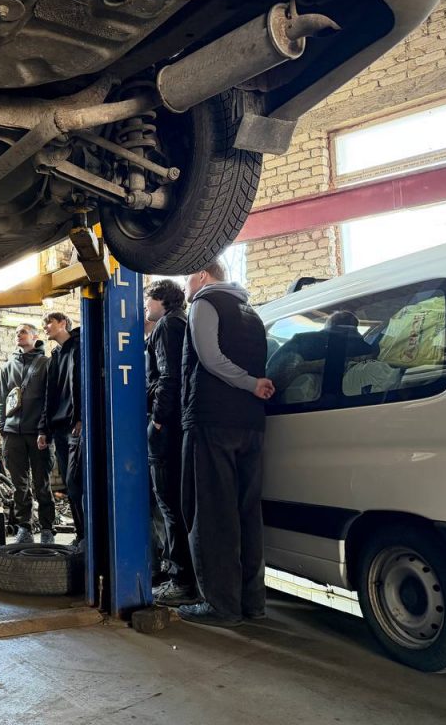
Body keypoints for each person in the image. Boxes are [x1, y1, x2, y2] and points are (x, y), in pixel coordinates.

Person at [179, 260, 275, 626]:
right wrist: (253, 387)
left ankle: (221, 605)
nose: (186, 287)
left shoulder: (206, 303)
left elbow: (210, 358)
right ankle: (252, 602)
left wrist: (249, 383)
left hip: (214, 421)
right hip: (251, 423)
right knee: (247, 513)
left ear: (202, 275)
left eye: (187, 277)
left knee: (213, 513)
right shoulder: (251, 312)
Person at [143, 279, 196, 606]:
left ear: (162, 300)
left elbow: (168, 376)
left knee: (169, 506)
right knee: (177, 505)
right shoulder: (184, 322)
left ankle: (180, 580)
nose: (146, 307)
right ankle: (182, 575)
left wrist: (158, 418)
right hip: (182, 425)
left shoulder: (165, 326)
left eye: (149, 300)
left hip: (167, 427)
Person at [0, 323, 53, 544]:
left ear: (35, 336)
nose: (18, 335)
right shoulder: (8, 366)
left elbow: (50, 399)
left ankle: (47, 528)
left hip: (38, 432)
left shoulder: (46, 364)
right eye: (16, 332)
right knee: (19, 485)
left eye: (23, 331)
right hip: (13, 433)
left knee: (42, 483)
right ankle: (24, 528)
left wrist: (44, 429)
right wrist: (2, 427)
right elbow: (2, 399)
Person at [37, 312, 84, 548]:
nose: (45, 327)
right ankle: (81, 535)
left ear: (63, 323)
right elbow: (49, 395)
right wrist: (43, 429)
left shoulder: (80, 346)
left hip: (76, 427)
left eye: (49, 323)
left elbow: (85, 384)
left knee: (78, 484)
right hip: (59, 428)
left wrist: (82, 417)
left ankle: (88, 535)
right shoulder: (55, 355)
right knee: (69, 484)